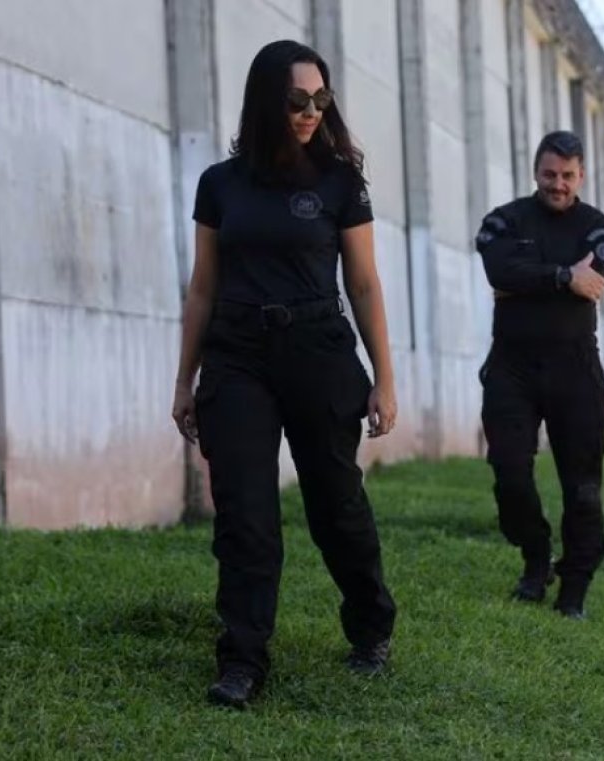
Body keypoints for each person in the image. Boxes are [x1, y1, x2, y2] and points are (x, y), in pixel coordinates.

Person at [170, 40, 398, 709]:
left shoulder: (338, 181)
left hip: (319, 349)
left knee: (336, 504)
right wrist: (185, 381)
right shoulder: (220, 183)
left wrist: (384, 378)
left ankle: (371, 626)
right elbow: (202, 288)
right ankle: (241, 659)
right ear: (268, 100)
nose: (310, 112)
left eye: (321, 100)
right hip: (237, 353)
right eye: (298, 100)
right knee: (244, 512)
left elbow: (362, 282)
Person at [474, 130, 604, 620]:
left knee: (583, 487)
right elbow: (498, 270)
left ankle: (573, 588)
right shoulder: (504, 219)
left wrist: (529, 277)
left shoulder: (598, 226)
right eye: (550, 174)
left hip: (574, 368)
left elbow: (594, 278)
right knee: (510, 473)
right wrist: (562, 277)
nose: (558, 184)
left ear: (582, 176)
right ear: (536, 171)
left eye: (568, 176)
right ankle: (536, 557)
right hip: (511, 367)